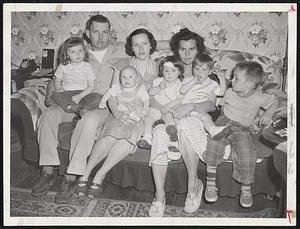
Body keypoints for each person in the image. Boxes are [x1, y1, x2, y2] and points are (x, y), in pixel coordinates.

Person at [31, 14, 120, 204]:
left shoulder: (121, 52)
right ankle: (47, 171)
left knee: (87, 121)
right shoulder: (77, 51)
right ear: (88, 33)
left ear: (110, 33)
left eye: (105, 32)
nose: (101, 36)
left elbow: (150, 45)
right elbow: (55, 80)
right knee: (48, 116)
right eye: (96, 31)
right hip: (71, 100)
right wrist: (51, 93)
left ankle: (71, 176)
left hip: (100, 105)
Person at [148, 28, 218, 217]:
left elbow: (211, 104)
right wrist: (161, 107)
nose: (187, 54)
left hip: (195, 118)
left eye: (192, 49)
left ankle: (192, 187)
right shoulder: (170, 70)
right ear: (176, 50)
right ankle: (159, 195)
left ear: (199, 50)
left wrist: (191, 106)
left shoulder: (205, 72)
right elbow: (154, 96)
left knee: (186, 127)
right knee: (160, 132)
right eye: (182, 49)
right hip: (169, 117)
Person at [202, 61, 278, 208]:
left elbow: (274, 101)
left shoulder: (259, 97)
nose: (232, 80)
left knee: (247, 151)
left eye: (236, 78)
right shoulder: (229, 92)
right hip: (224, 123)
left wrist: (268, 113)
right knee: (213, 143)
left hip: (243, 128)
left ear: (249, 84)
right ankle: (210, 184)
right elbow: (218, 103)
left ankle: (246, 188)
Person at [74, 65, 150, 198]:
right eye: (123, 77)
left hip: (136, 118)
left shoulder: (143, 84)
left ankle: (99, 175)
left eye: (130, 77)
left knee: (128, 138)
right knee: (110, 135)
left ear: (137, 79)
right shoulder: (119, 83)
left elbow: (148, 102)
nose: (126, 79)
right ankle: (85, 173)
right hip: (118, 113)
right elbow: (110, 97)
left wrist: (143, 112)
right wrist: (117, 113)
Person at [137, 55, 185, 155]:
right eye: (166, 71)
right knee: (148, 118)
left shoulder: (180, 85)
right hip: (155, 109)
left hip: (169, 110)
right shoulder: (158, 81)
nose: (169, 74)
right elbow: (151, 92)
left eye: (173, 70)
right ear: (162, 71)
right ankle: (147, 137)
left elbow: (180, 99)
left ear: (179, 72)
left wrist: (169, 106)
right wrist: (158, 88)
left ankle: (173, 141)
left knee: (170, 120)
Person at [50, 37, 101, 118]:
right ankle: (71, 107)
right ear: (66, 54)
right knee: (54, 95)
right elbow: (57, 80)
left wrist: (80, 96)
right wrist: (58, 88)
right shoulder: (63, 66)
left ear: (84, 51)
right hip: (67, 95)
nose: (78, 54)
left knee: (97, 97)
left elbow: (91, 86)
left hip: (84, 94)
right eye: (73, 52)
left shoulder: (87, 66)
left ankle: (82, 109)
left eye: (80, 50)